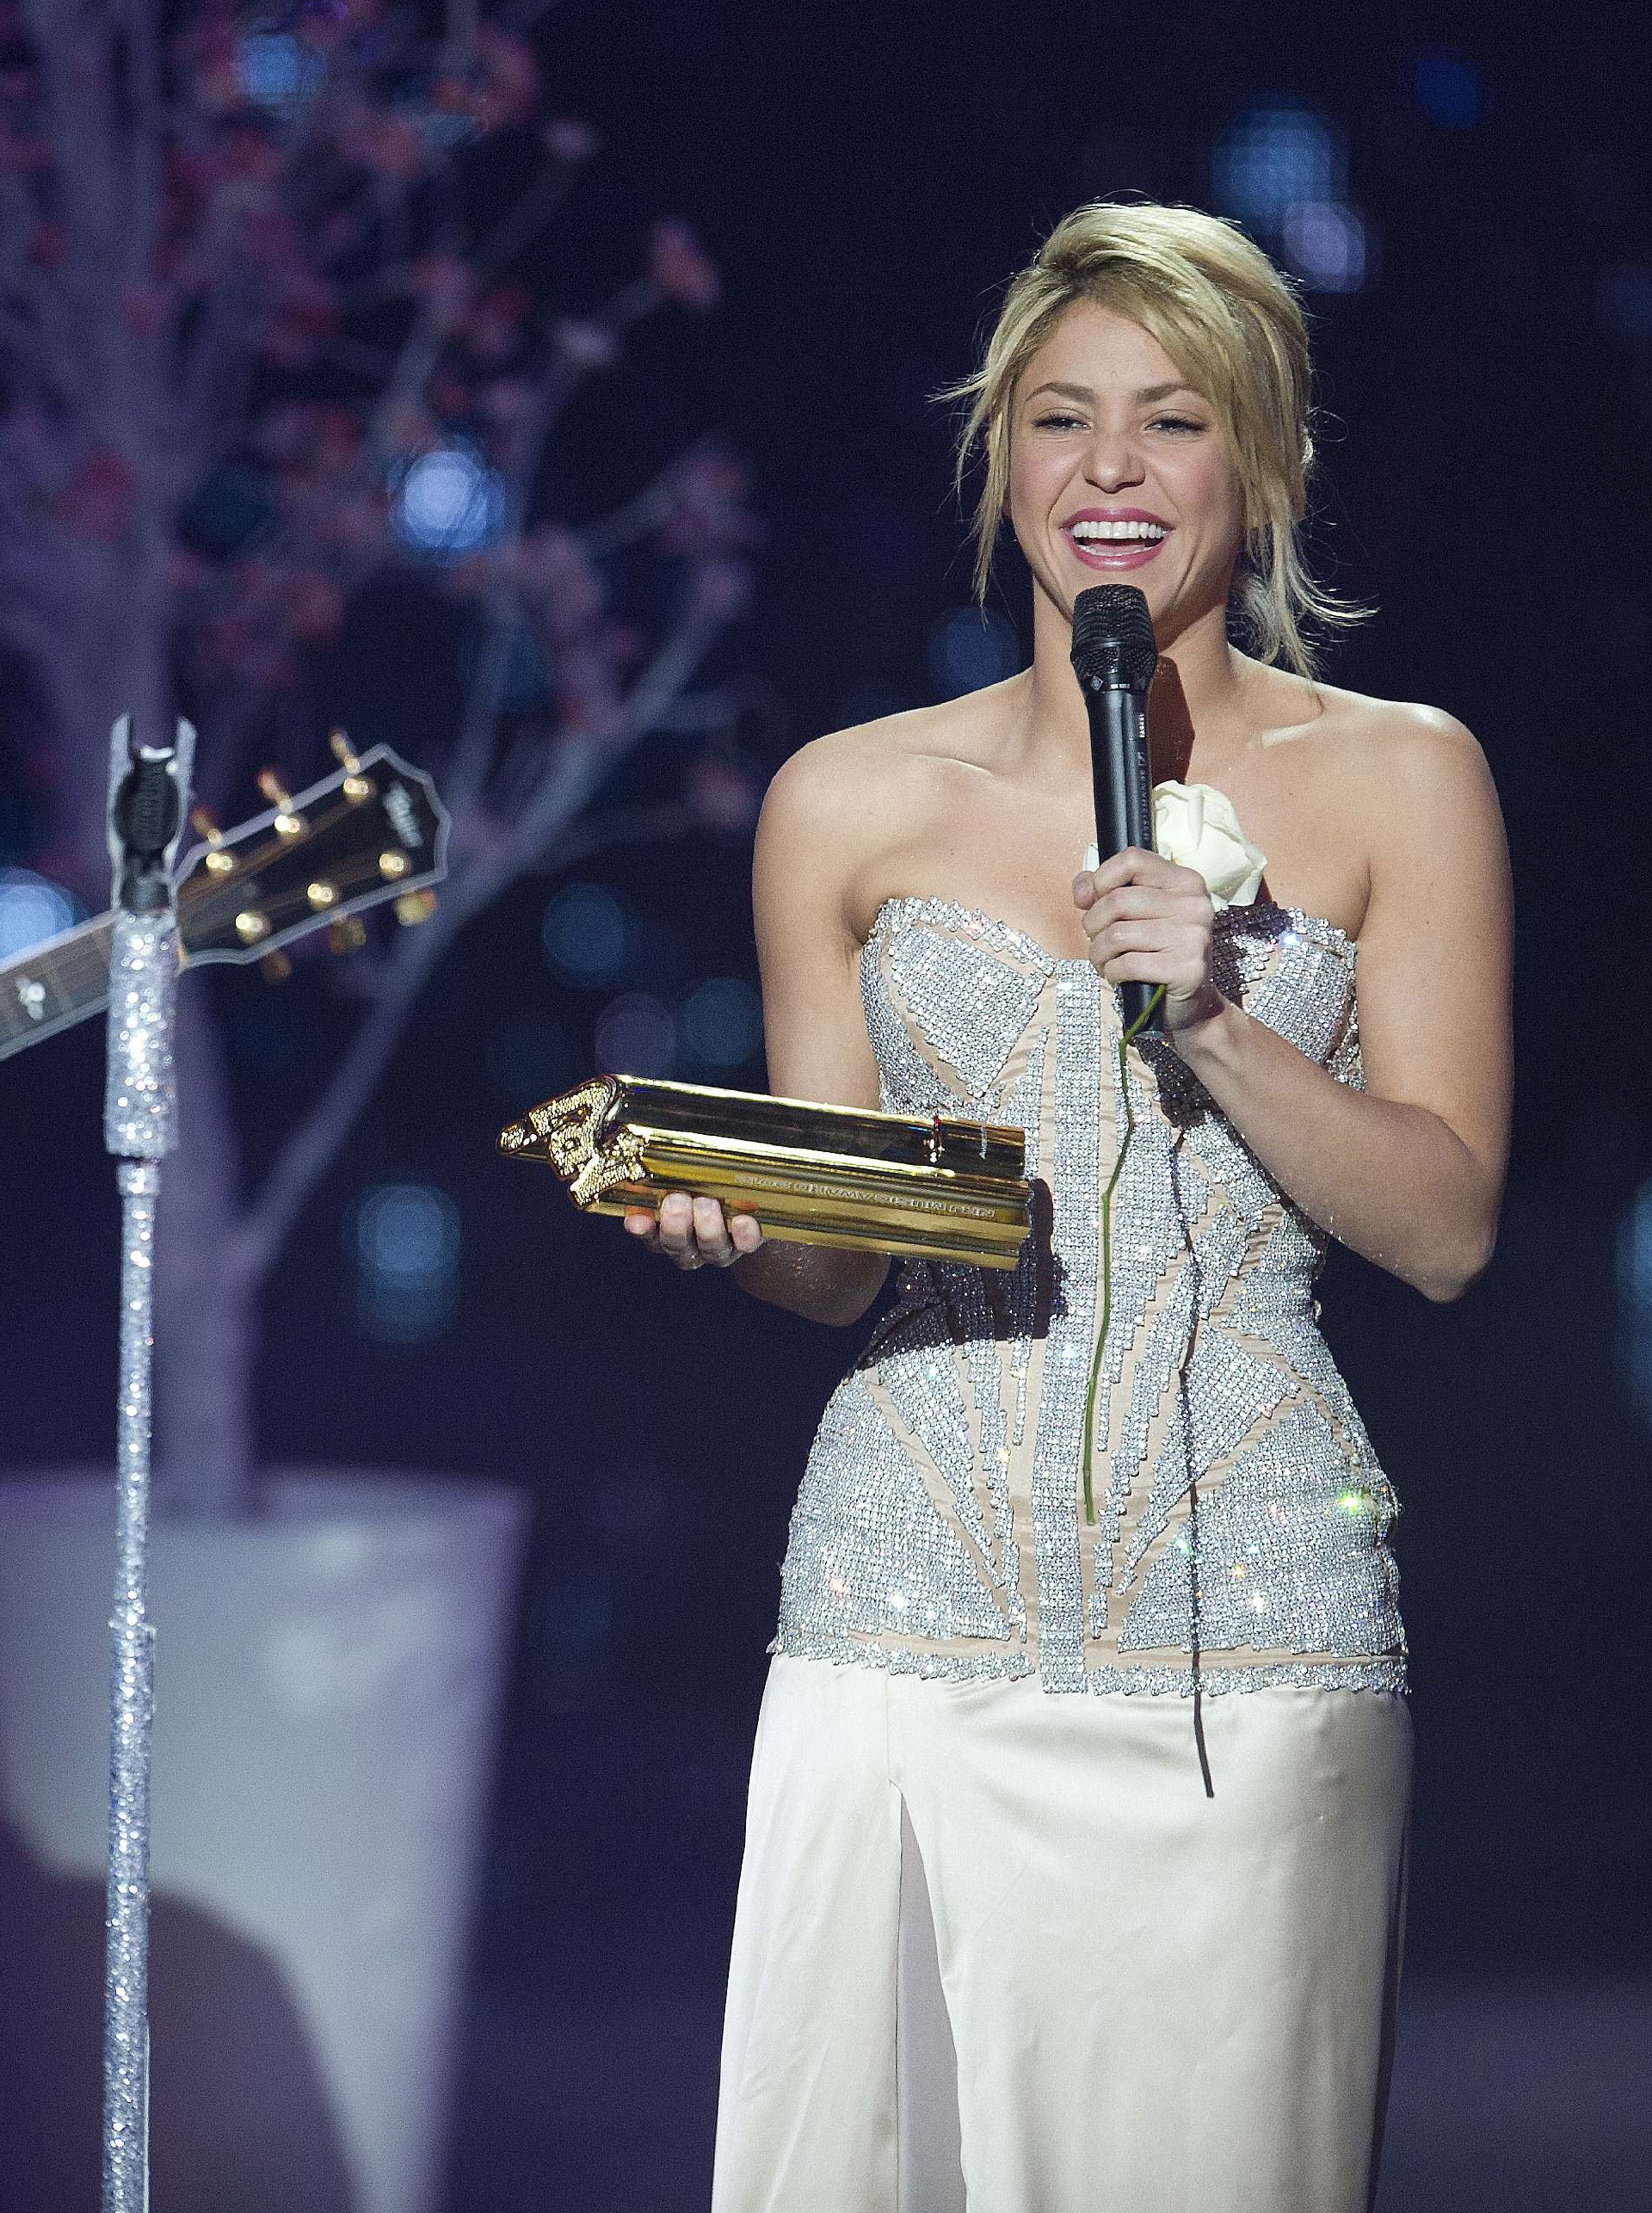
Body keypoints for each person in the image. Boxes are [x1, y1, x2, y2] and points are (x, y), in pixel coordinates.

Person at [644, 201, 1509, 2212]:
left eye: (1170, 420)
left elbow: (1445, 1226)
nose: (1109, 469)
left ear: (1258, 463)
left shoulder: (1402, 781)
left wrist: (1210, 1015)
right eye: (1060, 419)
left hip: (1245, 1630)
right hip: (898, 1620)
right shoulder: (846, 802)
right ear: (1000, 461)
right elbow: (842, 1257)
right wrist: (746, 1231)